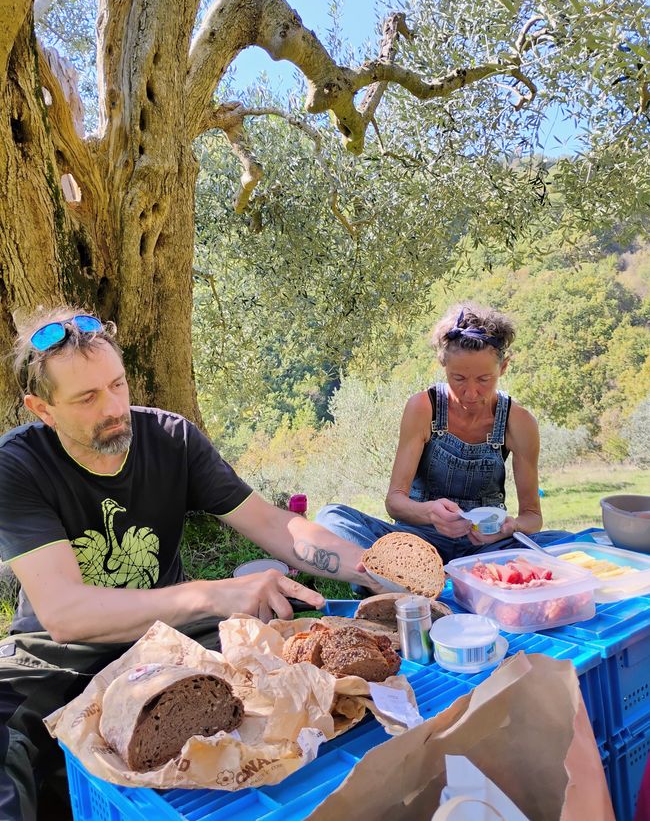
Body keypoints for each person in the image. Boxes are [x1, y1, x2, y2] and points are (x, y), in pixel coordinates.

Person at [0, 306, 381, 821]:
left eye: (117, 385)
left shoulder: (171, 439)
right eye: (87, 398)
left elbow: (274, 525)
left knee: (312, 673)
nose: (113, 407)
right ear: (42, 409)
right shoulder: (17, 466)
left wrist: (374, 565)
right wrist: (212, 593)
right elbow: (66, 614)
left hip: (170, 638)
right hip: (53, 656)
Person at [316, 303, 569, 566]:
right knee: (331, 517)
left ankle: (395, 576)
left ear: (503, 367)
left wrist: (511, 527)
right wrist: (430, 513)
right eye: (458, 378)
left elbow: (532, 517)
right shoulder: (423, 408)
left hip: (486, 550)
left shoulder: (519, 422)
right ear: (443, 363)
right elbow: (395, 502)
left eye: (484, 380)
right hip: (417, 543)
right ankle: (413, 573)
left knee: (569, 541)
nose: (471, 393)